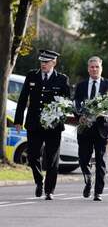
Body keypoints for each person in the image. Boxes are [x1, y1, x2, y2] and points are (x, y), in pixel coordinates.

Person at [14, 49, 70, 200]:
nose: (43, 64)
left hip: (53, 126)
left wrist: (60, 117)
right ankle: (39, 181)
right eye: (41, 61)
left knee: (52, 159)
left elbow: (67, 104)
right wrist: (18, 120)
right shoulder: (32, 75)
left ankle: (49, 190)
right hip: (34, 124)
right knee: (32, 156)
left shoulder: (62, 79)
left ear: (54, 62)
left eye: (46, 62)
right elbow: (23, 98)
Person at [74, 56, 108, 201]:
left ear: (101, 68)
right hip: (85, 128)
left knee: (101, 160)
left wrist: (103, 111)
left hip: (102, 128)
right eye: (92, 67)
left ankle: (98, 192)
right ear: (88, 69)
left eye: (97, 67)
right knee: (83, 159)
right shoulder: (81, 85)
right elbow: (76, 104)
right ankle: (88, 180)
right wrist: (79, 115)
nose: (94, 69)